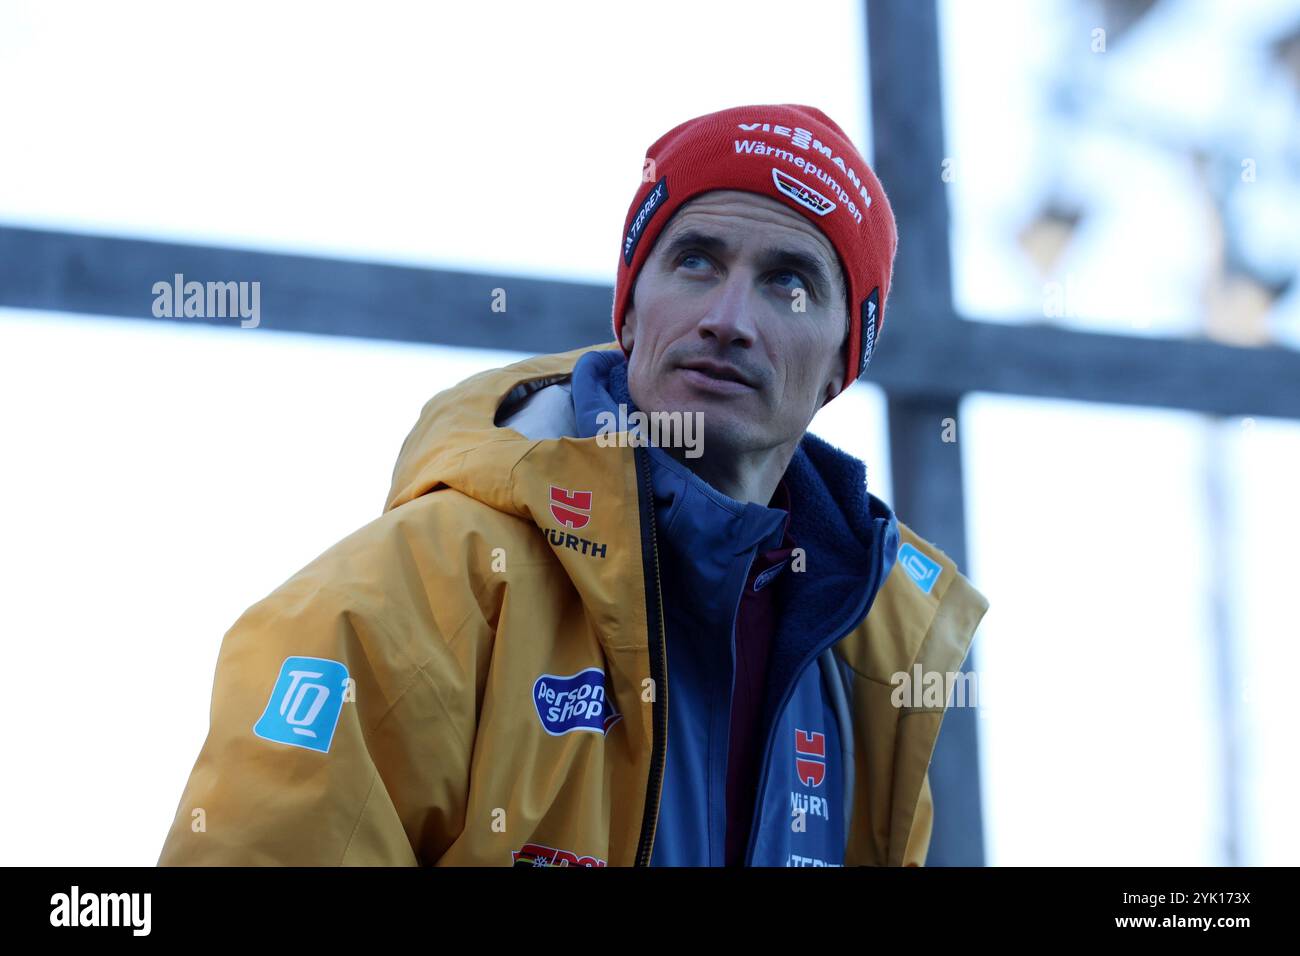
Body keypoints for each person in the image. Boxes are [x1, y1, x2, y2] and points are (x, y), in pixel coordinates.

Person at [158, 103, 989, 868]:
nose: (728, 318)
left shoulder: (865, 673)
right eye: (695, 261)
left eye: (790, 283)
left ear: (844, 362)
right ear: (628, 313)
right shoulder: (428, 588)